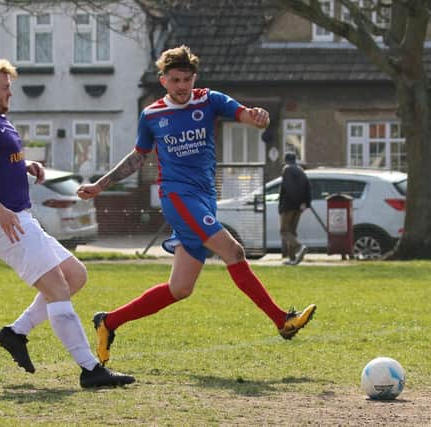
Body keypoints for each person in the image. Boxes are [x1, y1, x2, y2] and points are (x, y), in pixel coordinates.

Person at [77, 45, 317, 366]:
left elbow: (246, 115)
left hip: (205, 197)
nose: (182, 86)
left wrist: (258, 118)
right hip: (177, 197)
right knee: (234, 251)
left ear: (194, 78)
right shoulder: (151, 116)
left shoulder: (209, 100)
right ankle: (281, 320)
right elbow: (138, 157)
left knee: (180, 289)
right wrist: (100, 185)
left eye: (187, 79)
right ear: (163, 80)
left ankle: (108, 322)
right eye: (175, 80)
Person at [0, 59, 134, 388]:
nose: (10, 91)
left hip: (21, 219)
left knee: (75, 275)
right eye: (4, 86)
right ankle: (90, 369)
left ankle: (16, 332)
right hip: (4, 224)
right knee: (58, 288)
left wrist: (25, 165)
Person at [279, 152, 312, 265]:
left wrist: (287, 205)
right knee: (292, 232)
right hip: (299, 207)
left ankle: (299, 247)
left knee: (284, 231)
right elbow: (308, 187)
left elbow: (288, 188)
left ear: (286, 160)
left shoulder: (286, 169)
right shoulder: (301, 170)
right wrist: (305, 203)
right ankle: (292, 259)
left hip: (289, 205)